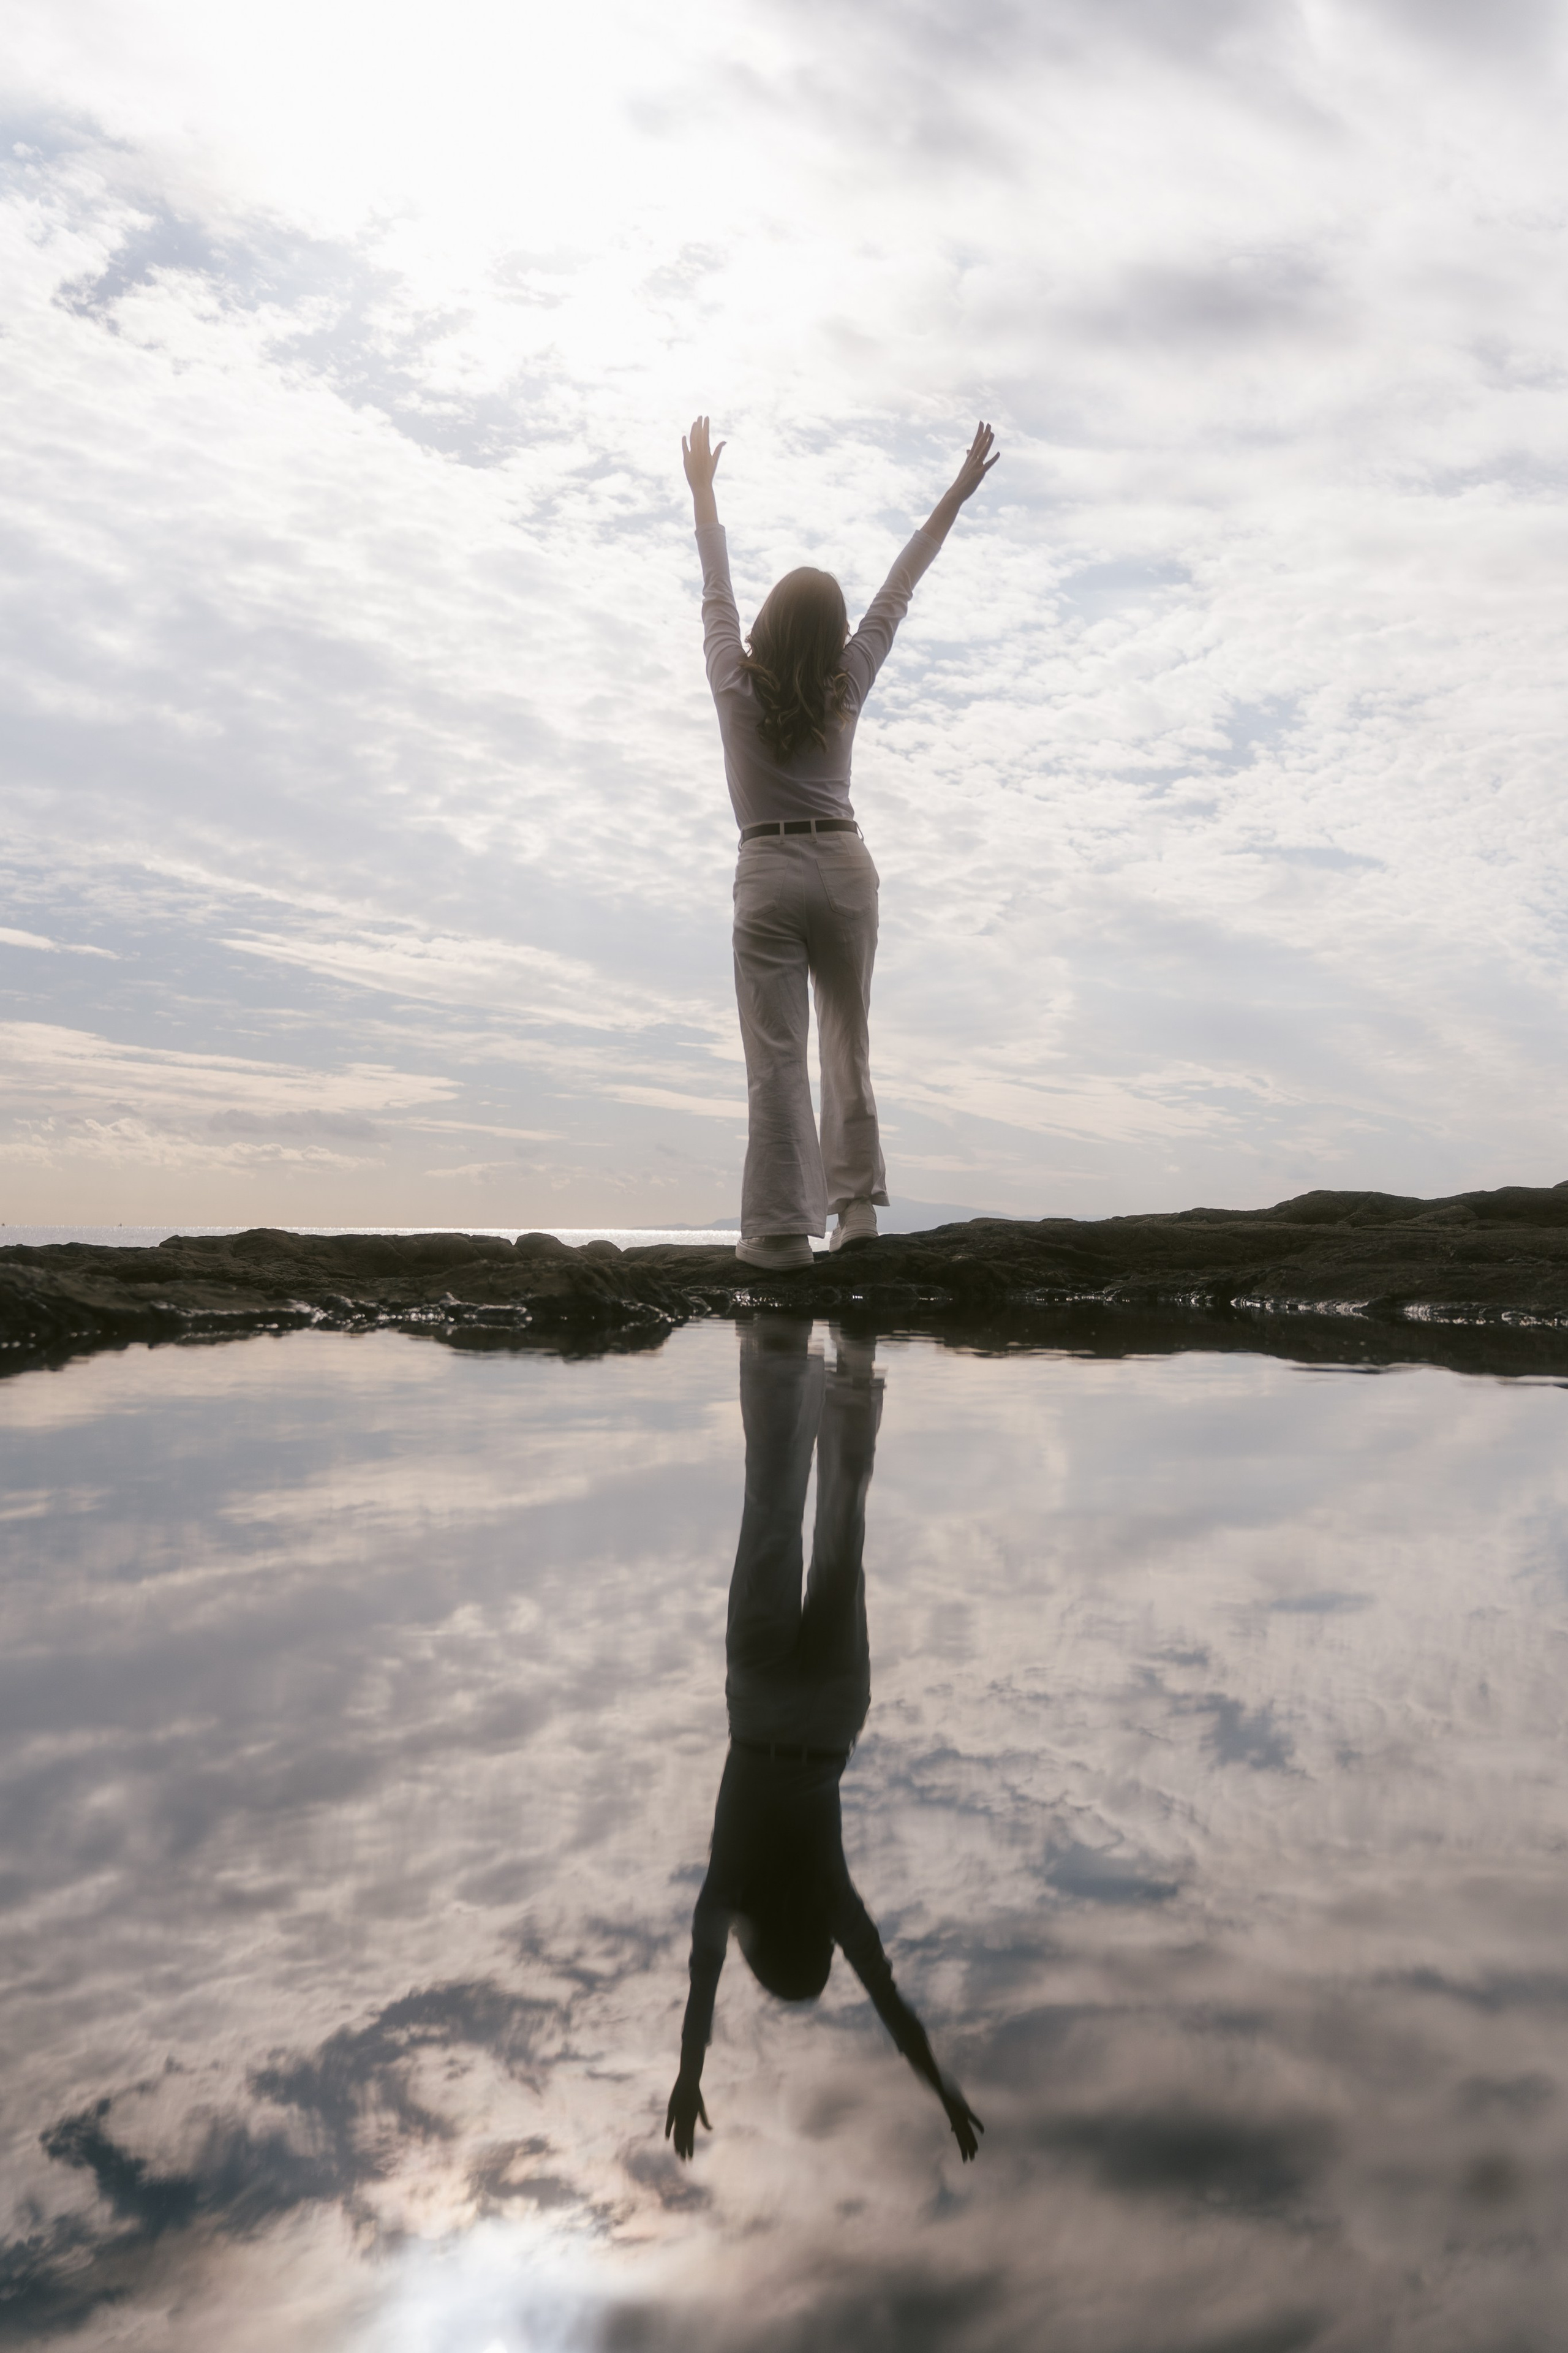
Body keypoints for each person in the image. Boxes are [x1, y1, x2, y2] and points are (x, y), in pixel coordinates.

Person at [683, 418, 1000, 1272]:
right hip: (847, 865)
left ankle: (783, 1233)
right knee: (846, 1041)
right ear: (830, 631)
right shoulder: (846, 681)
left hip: (768, 867)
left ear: (771, 622)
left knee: (777, 1058)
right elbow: (900, 588)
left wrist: (705, 496)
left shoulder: (731, 678)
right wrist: (955, 495)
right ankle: (856, 1213)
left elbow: (717, 592)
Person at [665, 1318, 983, 2165]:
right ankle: (778, 1352)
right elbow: (702, 1981)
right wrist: (688, 2069)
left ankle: (853, 1363)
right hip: (762, 1706)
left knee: (841, 1522)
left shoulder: (834, 1905)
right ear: (765, 1950)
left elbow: (890, 2001)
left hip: (833, 1715)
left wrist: (945, 2090)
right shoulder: (730, 1897)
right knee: (774, 1505)